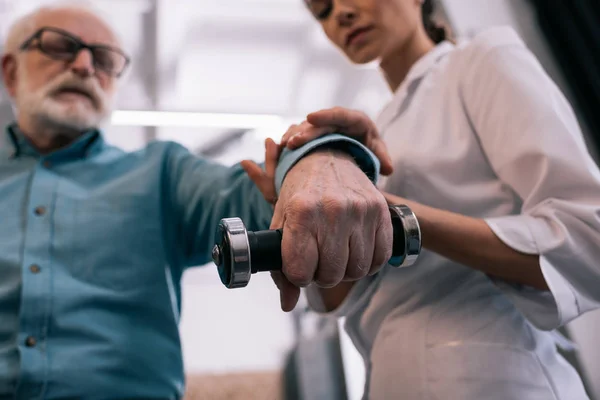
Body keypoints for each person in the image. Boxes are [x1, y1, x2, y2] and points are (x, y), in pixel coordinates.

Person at [0, 3, 397, 398]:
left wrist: (316, 160)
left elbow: (258, 192)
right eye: (60, 46)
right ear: (11, 71)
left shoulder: (161, 172)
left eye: (104, 58)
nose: (85, 66)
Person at [244, 0, 600, 398]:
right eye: (322, 11)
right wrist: (309, 218)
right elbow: (341, 295)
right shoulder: (373, 139)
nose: (340, 14)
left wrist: (389, 213)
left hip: (490, 377)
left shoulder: (481, 60)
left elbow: (589, 240)